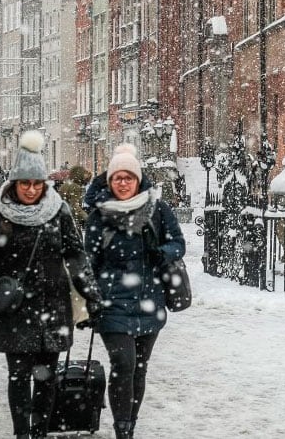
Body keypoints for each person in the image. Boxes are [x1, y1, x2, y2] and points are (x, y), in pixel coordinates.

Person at [0, 130, 102, 439]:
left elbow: (76, 256)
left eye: (37, 183)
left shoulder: (59, 211)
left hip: (53, 304)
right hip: (15, 306)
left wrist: (91, 295)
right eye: (25, 183)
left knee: (47, 376)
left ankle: (39, 432)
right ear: (14, 183)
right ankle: (22, 434)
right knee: (18, 375)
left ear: (44, 184)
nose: (31, 189)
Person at [84, 144, 185, 439]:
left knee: (139, 368)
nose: (124, 183)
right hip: (112, 304)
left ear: (138, 180)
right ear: (110, 181)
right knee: (123, 364)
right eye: (118, 178)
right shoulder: (99, 216)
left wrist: (161, 252)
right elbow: (87, 262)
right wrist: (89, 299)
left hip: (149, 301)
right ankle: (122, 429)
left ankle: (131, 423)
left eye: (129, 177)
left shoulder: (157, 210)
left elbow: (178, 243)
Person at [58, 165, 90, 232]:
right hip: (71, 222)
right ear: (79, 174)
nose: (85, 175)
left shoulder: (67, 184)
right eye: (83, 173)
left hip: (62, 219)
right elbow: (75, 207)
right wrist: (87, 218)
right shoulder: (75, 187)